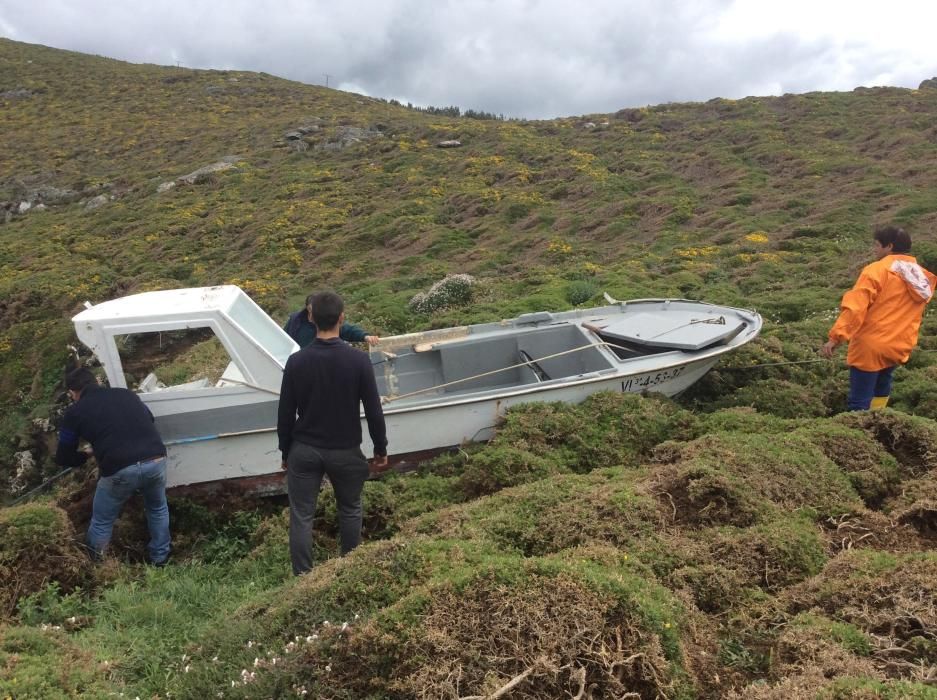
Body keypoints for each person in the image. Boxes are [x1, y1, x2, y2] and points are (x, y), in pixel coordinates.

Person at [277, 291, 388, 575]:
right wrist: (380, 449)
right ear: (342, 318)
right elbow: (374, 411)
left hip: (304, 449)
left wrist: (285, 451)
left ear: (311, 318)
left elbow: (285, 413)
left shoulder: (296, 362)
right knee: (350, 509)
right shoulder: (358, 361)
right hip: (345, 449)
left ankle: (303, 577)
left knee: (301, 516)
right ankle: (347, 572)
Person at [56, 367, 171, 565]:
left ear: (73, 393)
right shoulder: (126, 394)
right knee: (157, 508)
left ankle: (98, 566)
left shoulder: (74, 412)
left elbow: (64, 456)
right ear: (96, 382)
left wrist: (86, 453)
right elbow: (148, 418)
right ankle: (160, 558)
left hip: (119, 469)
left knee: (102, 520)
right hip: (155, 459)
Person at [821, 225, 935, 410]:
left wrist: (836, 338)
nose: (874, 249)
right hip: (899, 345)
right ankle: (879, 424)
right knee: (882, 389)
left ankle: (861, 434)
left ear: (889, 246)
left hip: (871, 346)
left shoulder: (876, 270)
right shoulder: (920, 276)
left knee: (859, 400)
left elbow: (855, 308)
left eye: (876, 245)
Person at [284, 293, 380, 349]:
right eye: (311, 309)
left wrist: (365, 336)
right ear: (307, 308)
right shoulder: (295, 320)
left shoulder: (326, 320)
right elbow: (283, 338)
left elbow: (348, 329)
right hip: (300, 364)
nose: (314, 313)